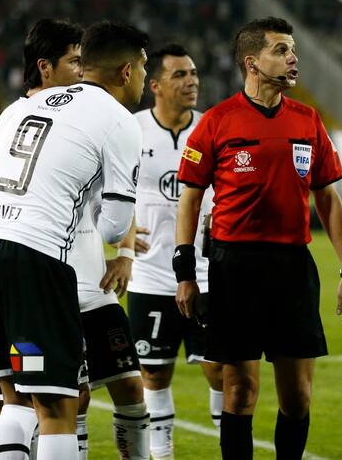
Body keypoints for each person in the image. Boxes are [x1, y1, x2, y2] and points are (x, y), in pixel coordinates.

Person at [0, 20, 146, 459]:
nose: (141, 78)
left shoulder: (23, 107)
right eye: (142, 68)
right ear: (126, 71)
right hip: (34, 258)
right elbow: (115, 227)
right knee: (58, 408)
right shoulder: (119, 119)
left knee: (14, 402)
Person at [175, 17, 342, 460]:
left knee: (297, 397)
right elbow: (191, 199)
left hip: (292, 267)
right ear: (252, 62)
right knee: (239, 391)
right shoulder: (217, 121)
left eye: (293, 49)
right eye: (281, 50)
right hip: (234, 267)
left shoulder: (308, 120)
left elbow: (327, 197)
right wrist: (185, 272)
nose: (293, 58)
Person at [0, 18, 85, 460]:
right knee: (51, 403)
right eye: (74, 61)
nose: (82, 71)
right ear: (45, 67)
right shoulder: (58, 121)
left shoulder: (10, 117)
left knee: (12, 400)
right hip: (28, 269)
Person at [127, 44, 223, 460]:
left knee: (221, 371)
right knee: (153, 373)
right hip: (149, 275)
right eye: (180, 74)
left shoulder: (213, 127)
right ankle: (161, 453)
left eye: (194, 73)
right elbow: (98, 186)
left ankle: (230, 449)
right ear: (155, 85)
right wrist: (120, 231)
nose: (191, 81)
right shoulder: (130, 130)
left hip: (205, 273)